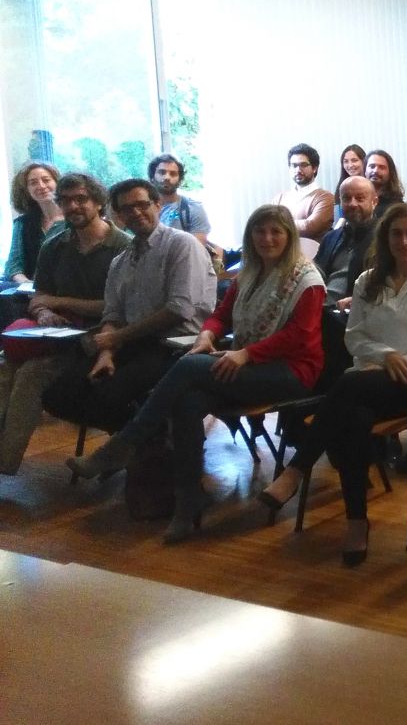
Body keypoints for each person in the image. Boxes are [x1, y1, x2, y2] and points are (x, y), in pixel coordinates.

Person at [67, 206, 324, 542]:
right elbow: (221, 315)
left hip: (290, 371)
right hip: (246, 364)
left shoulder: (307, 280)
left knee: (188, 366)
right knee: (188, 400)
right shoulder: (249, 273)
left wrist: (245, 354)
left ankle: (123, 444)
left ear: (289, 236)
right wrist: (207, 335)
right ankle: (188, 500)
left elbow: (299, 336)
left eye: (276, 231)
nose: (267, 238)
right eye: (260, 231)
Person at [260, 203, 407, 566]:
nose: (404, 241)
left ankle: (297, 469)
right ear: (385, 239)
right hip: (364, 382)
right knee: (352, 418)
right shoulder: (367, 281)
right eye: (396, 234)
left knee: (348, 387)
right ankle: (356, 521)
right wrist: (386, 356)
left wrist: (404, 361)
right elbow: (354, 337)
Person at [40, 179, 216, 435]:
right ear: (118, 215)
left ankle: (141, 440)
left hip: (176, 345)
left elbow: (178, 310)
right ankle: (146, 438)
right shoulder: (121, 260)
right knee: (57, 395)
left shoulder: (182, 244)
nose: (135, 212)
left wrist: (117, 337)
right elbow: (113, 313)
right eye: (126, 209)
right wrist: (106, 353)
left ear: (157, 205)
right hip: (132, 343)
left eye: (142, 204)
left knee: (107, 394)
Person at [0, 174, 130, 475]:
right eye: (66, 200)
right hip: (55, 333)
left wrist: (59, 302)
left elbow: (117, 307)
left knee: (32, 373)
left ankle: (5, 464)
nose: (73, 206)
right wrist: (44, 311)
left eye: (81, 199)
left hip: (103, 336)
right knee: (4, 366)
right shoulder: (54, 245)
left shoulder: (122, 247)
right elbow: (39, 296)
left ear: (99, 202)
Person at [313, 176, 378, 310]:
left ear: (374, 202)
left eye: (360, 198)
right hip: (320, 307)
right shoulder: (330, 237)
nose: (352, 204)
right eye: (346, 198)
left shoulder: (384, 239)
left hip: (357, 311)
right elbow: (314, 274)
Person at [5, 162, 65, 284]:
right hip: (30, 290)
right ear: (26, 190)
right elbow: (14, 266)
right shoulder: (22, 224)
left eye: (46, 180)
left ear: (57, 183)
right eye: (33, 183)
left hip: (69, 289)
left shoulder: (74, 220)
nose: (41, 186)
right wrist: (28, 284)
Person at [273, 143, 336, 242]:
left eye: (303, 165)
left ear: (314, 168)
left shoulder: (325, 198)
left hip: (312, 251)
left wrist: (278, 224)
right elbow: (269, 224)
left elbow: (310, 227)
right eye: (294, 165)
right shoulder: (280, 198)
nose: (298, 170)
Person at [149, 154, 210, 243]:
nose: (167, 177)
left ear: (180, 181)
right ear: (152, 178)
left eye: (173, 174)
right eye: (162, 172)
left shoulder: (193, 208)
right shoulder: (142, 209)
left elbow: (197, 247)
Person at [364, 149, 405, 216]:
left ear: (390, 173)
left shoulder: (397, 207)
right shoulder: (356, 201)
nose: (375, 171)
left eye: (381, 167)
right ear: (365, 171)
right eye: (372, 166)